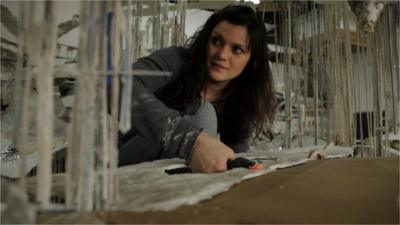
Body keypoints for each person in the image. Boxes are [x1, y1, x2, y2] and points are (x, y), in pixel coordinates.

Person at [118, 4, 276, 173]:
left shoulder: (241, 100)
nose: (222, 55)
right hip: (124, 164)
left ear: (252, 61)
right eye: (216, 41)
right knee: (203, 113)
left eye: (237, 49)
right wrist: (189, 139)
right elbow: (118, 84)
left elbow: (232, 156)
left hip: (172, 182)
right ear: (205, 40)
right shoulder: (176, 60)